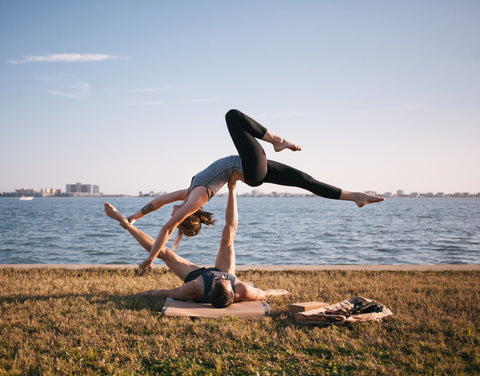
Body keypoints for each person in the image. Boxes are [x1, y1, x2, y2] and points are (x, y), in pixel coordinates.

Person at [128, 109, 384, 275]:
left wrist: (134, 218)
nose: (174, 211)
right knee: (232, 117)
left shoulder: (188, 193)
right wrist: (151, 259)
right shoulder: (195, 200)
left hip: (251, 168)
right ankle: (277, 141)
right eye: (180, 216)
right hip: (250, 168)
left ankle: (355, 197)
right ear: (188, 217)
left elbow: (159, 201)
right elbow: (166, 229)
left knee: (304, 180)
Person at [104, 173, 290, 308]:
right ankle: (233, 189)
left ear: (209, 290)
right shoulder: (243, 290)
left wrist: (138, 295)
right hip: (223, 281)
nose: (220, 276)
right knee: (228, 236)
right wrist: (281, 292)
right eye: (224, 279)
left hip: (197, 278)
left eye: (219, 279)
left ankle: (124, 222)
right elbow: (266, 293)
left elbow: (165, 293)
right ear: (233, 292)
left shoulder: (195, 288)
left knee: (166, 254)